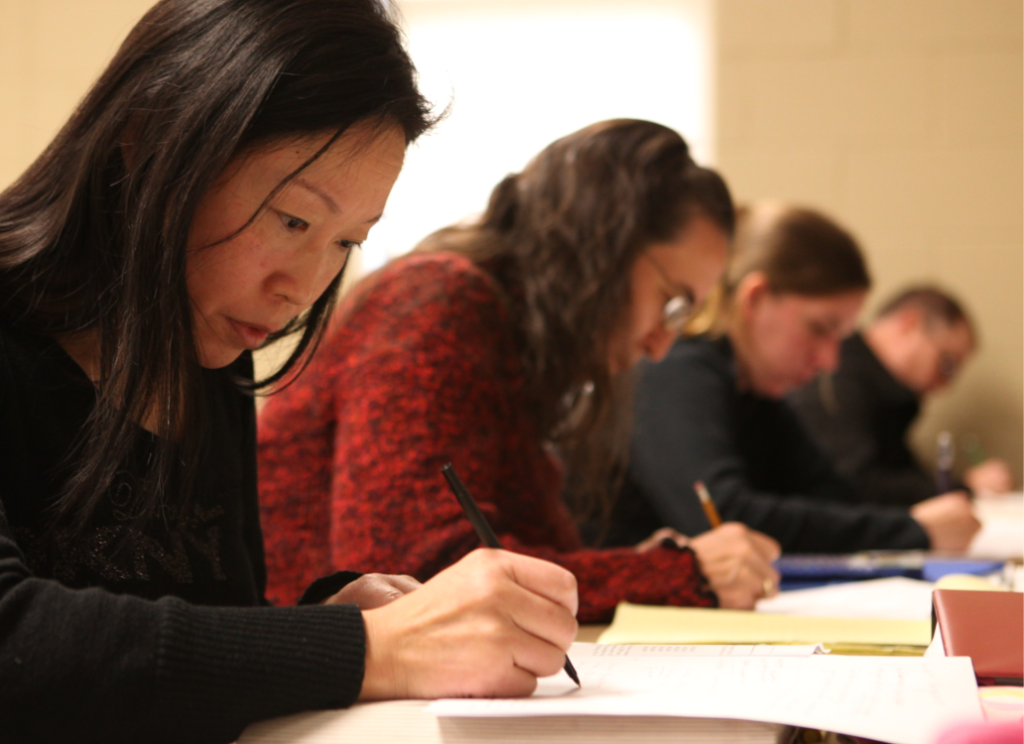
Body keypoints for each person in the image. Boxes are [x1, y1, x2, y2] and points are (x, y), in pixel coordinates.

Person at [0, 2, 580, 742]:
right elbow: (17, 644)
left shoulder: (203, 356)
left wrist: (326, 625)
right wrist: (377, 650)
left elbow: (183, 634)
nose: (304, 287)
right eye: (294, 221)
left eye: (346, 242)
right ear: (148, 139)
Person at [258, 119, 783, 622]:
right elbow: (415, 575)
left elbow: (508, 557)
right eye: (672, 303)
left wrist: (642, 571)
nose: (663, 345)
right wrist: (672, 574)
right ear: (601, 247)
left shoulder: (512, 337)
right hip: (307, 696)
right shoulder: (434, 300)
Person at [605, 203, 981, 553]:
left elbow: (834, 496)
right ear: (755, 299)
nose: (830, 361)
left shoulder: (754, 389)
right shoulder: (676, 365)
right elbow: (724, 519)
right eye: (820, 329)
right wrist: (913, 530)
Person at [788, 286, 1015, 505]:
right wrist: (963, 488)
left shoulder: (887, 393)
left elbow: (902, 475)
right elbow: (858, 484)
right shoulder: (838, 375)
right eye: (947, 364)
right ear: (909, 324)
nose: (945, 384)